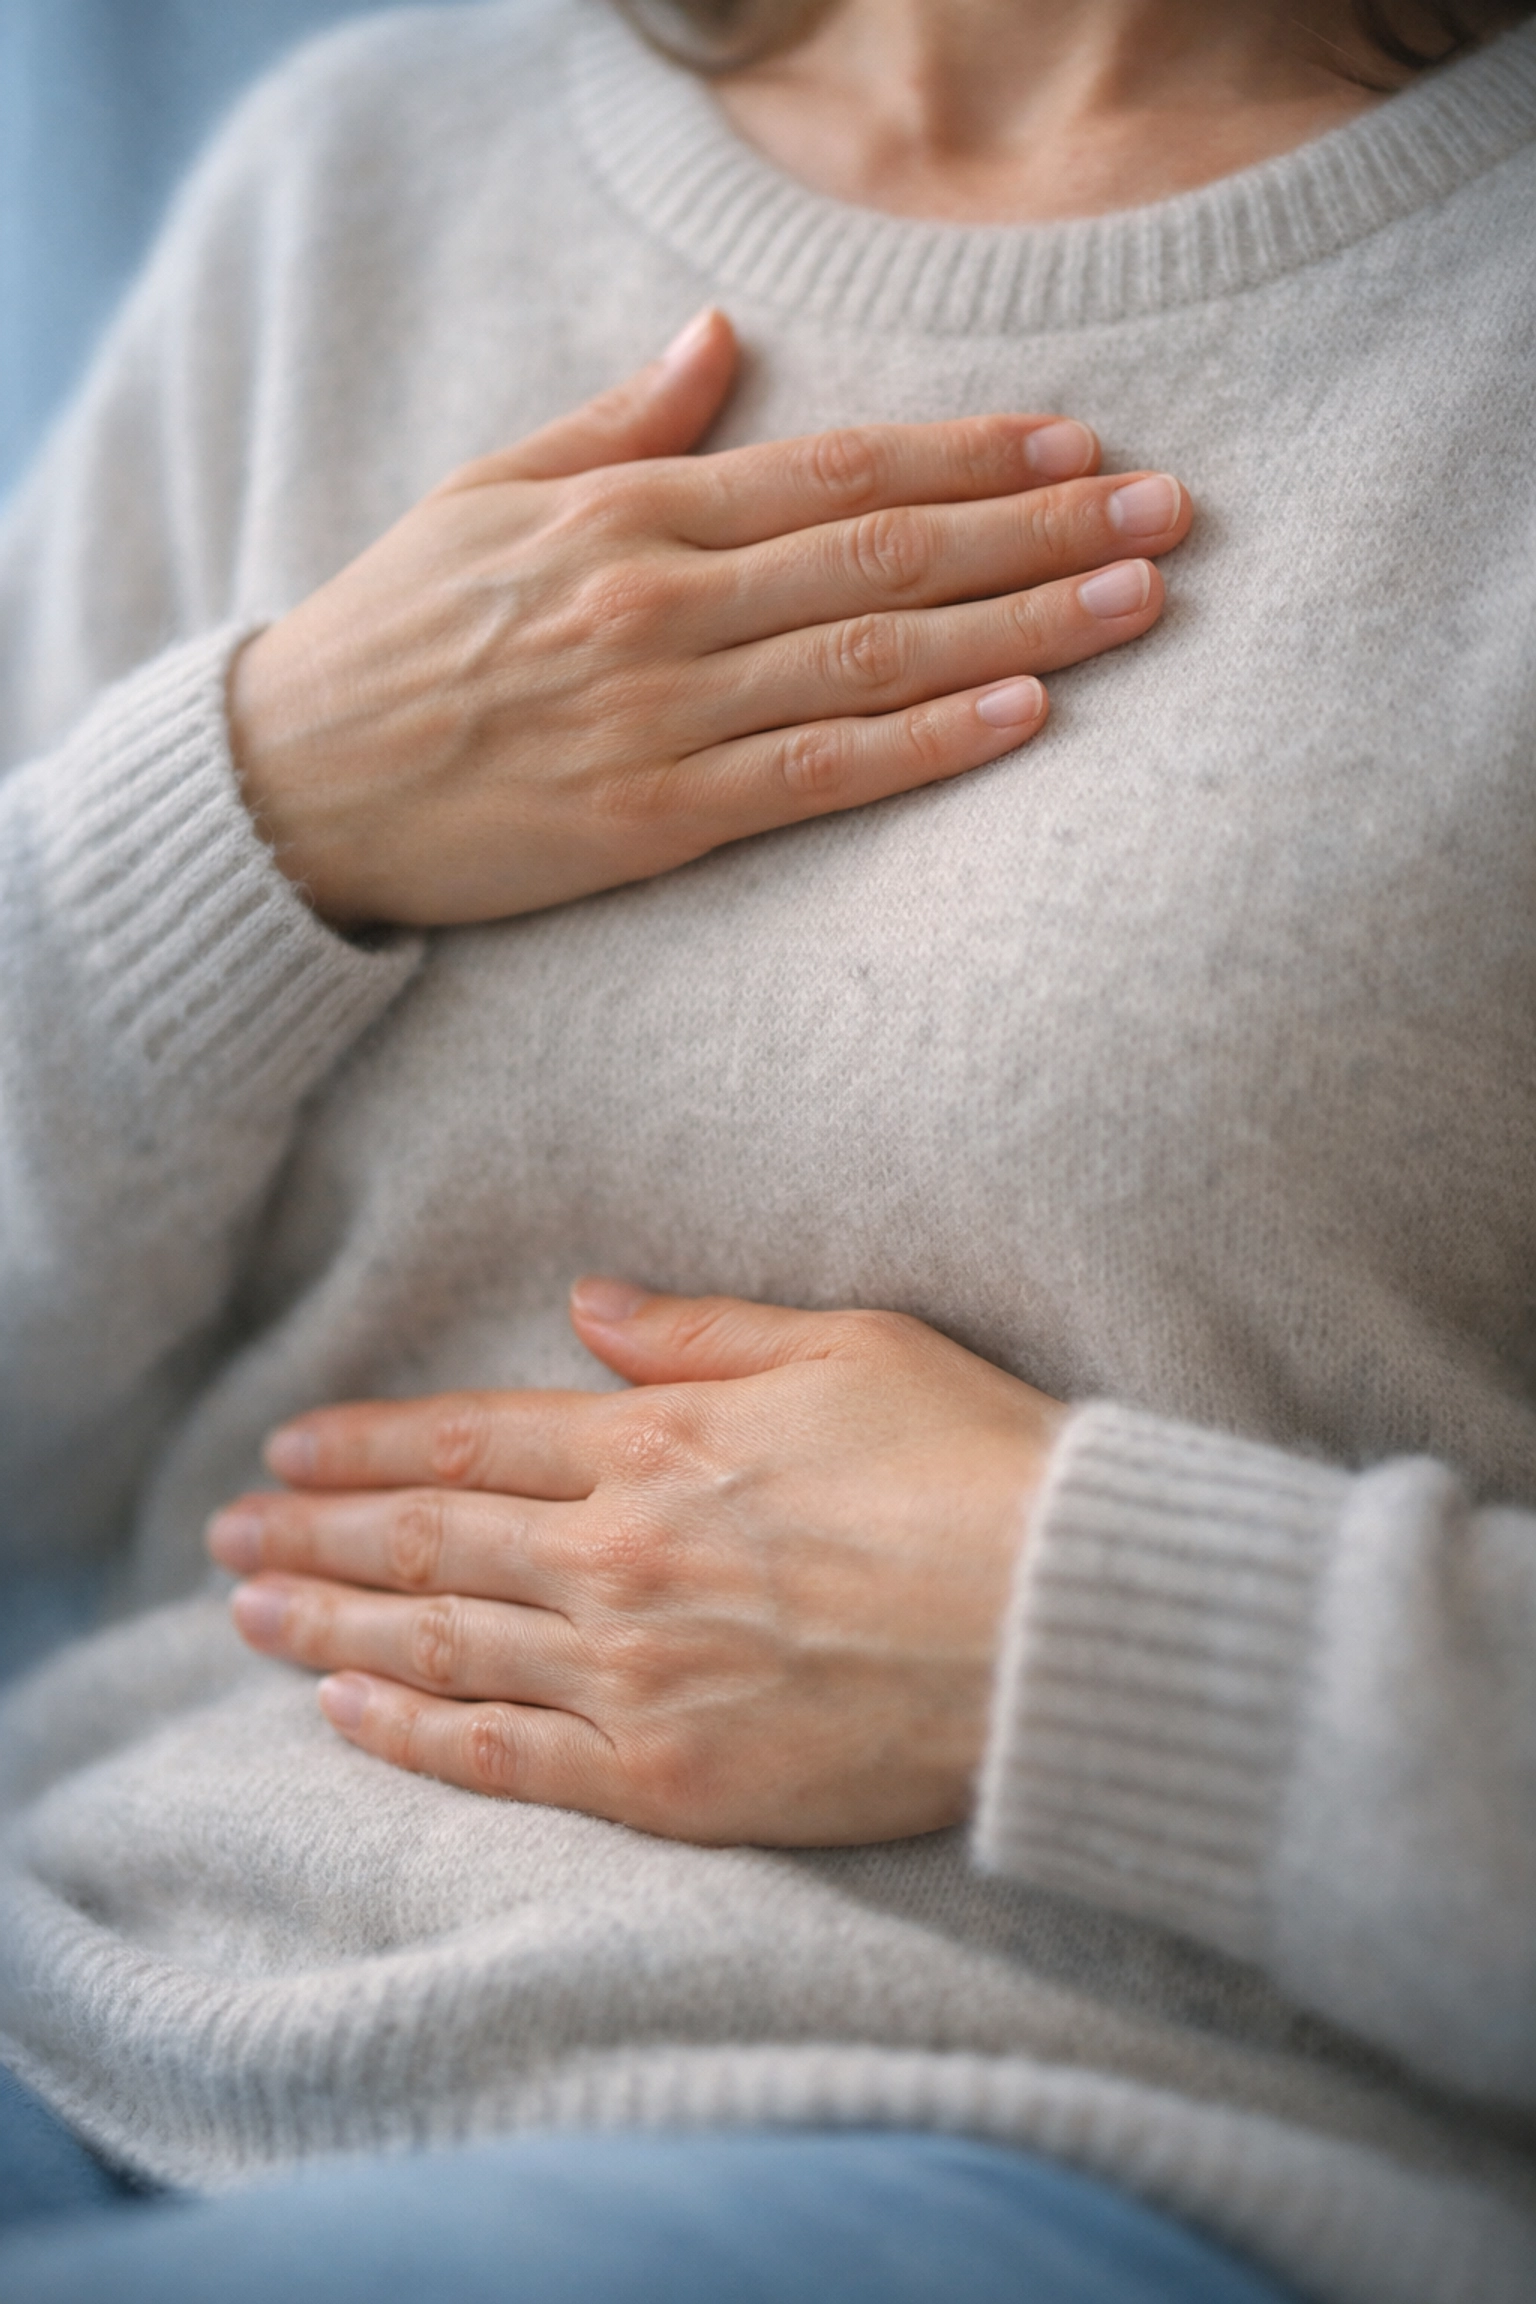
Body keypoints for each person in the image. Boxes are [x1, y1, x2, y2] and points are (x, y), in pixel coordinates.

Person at [0, 0, 1532, 2296]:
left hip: (1002, 2148)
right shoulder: (362, 183)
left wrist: (1101, 1641)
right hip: (84, 2004)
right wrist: (249, 806)